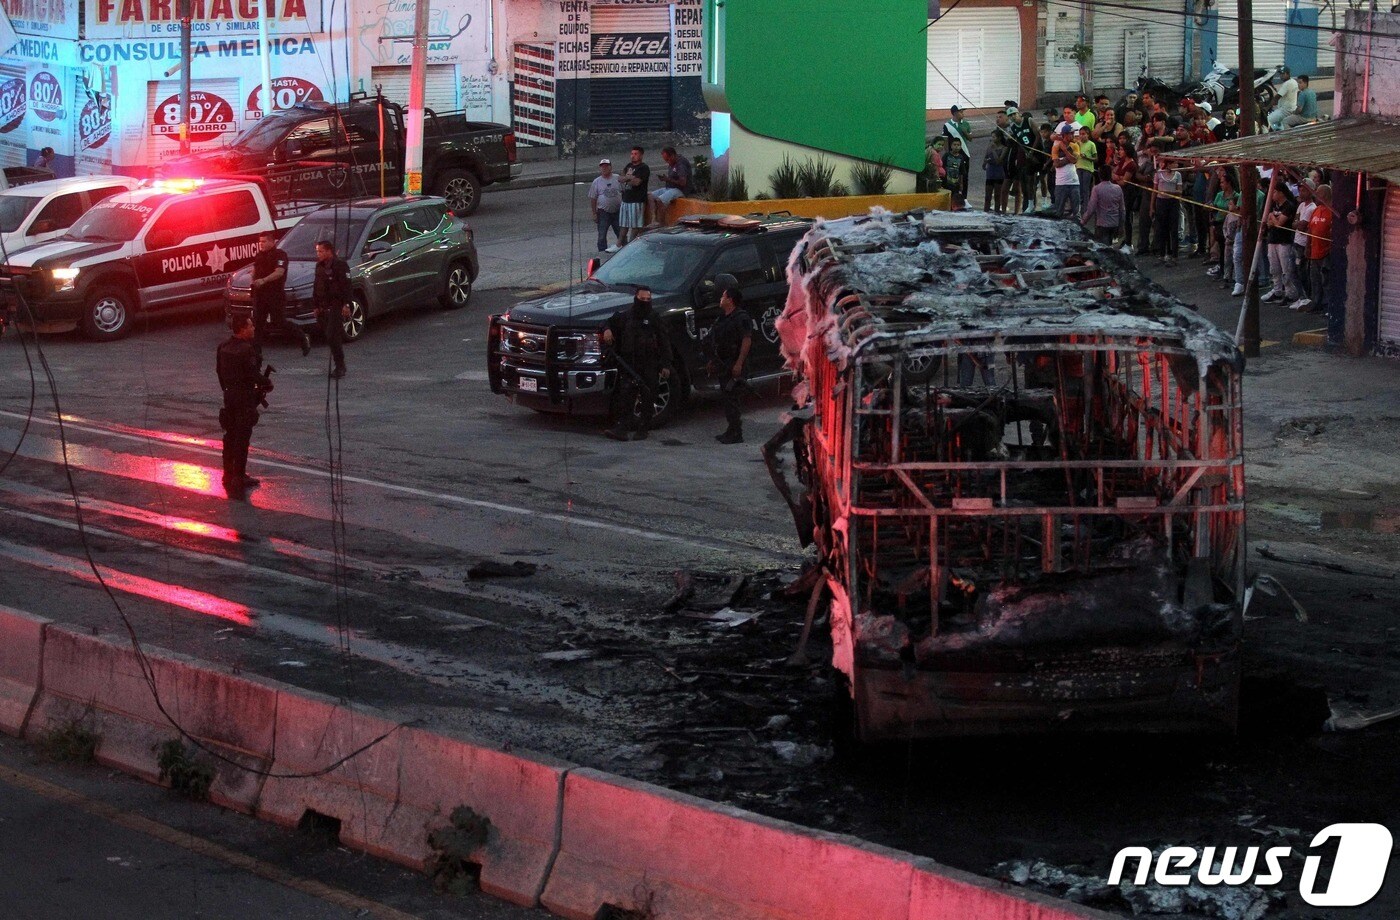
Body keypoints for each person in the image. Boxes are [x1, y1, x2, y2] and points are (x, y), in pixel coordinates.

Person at [601, 286, 673, 440]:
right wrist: (607, 330)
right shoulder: (627, 316)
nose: (645, 302)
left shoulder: (654, 318)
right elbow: (608, 322)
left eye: (648, 299)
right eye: (642, 299)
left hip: (649, 364)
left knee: (648, 397)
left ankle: (643, 428)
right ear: (636, 298)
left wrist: (666, 364)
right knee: (626, 397)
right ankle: (622, 429)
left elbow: (664, 341)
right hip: (629, 364)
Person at [216, 315, 269, 499]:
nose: (253, 328)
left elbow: (219, 373)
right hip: (243, 398)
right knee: (242, 437)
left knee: (230, 435)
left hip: (229, 396)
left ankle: (227, 473)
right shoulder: (247, 350)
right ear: (242, 329)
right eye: (250, 325)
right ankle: (239, 476)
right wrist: (267, 383)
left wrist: (227, 390)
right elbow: (253, 375)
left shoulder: (223, 347)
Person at [250, 231, 310, 358]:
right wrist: (253, 281)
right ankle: (256, 353)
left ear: (272, 242)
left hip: (275, 294)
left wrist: (264, 280)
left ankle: (302, 337)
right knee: (258, 324)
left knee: (279, 322)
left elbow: (279, 272)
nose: (261, 244)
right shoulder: (259, 255)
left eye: (264, 241)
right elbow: (254, 270)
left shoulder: (280, 255)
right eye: (260, 241)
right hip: (260, 295)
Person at [710, 286, 753, 444]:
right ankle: (731, 429)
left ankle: (736, 432)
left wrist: (739, 364)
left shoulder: (741, 318)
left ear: (730, 300)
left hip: (734, 363)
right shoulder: (722, 318)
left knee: (732, 399)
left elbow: (746, 340)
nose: (721, 299)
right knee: (727, 399)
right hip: (724, 363)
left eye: (723, 296)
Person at [313, 239, 351, 379]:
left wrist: (346, 304)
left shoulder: (340, 265)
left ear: (329, 251)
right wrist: (316, 305)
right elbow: (316, 286)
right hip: (324, 304)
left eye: (321, 251)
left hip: (337, 304)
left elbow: (347, 286)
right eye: (317, 251)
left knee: (332, 335)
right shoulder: (319, 266)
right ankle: (339, 363)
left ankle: (340, 366)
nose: (318, 254)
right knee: (330, 336)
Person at [1262, 184, 1301, 304]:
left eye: (1274, 192)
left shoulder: (1288, 206)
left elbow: (1279, 223)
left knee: (1286, 268)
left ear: (1281, 193)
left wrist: (1272, 218)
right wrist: (1274, 219)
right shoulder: (1275, 206)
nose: (1272, 195)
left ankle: (1290, 292)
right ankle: (1277, 289)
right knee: (1274, 268)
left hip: (1284, 241)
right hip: (1273, 239)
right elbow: (1270, 223)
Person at [1304, 184, 1333, 314]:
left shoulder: (1332, 211)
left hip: (1325, 252)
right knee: (1315, 280)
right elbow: (1310, 229)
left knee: (1326, 281)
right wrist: (1307, 246)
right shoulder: (1317, 210)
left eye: (1319, 193)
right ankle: (1317, 302)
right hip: (1314, 251)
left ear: (1325, 195)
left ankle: (1328, 305)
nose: (1316, 195)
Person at [1151, 154, 1183, 265]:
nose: (1176, 165)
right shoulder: (1159, 174)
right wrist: (1152, 206)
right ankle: (1162, 254)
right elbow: (1154, 191)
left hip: (1173, 203)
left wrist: (1169, 192)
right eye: (1174, 163)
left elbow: (1180, 191)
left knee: (1173, 229)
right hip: (1161, 203)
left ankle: (1174, 256)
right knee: (1161, 229)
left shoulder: (1178, 175)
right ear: (1169, 164)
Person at [1082, 164, 1124, 245]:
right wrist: (1121, 226)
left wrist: (1083, 221)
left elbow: (1091, 209)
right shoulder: (1118, 188)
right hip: (1114, 223)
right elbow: (1122, 209)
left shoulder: (1096, 189)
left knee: (1102, 249)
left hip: (1102, 224)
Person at [650, 146, 692, 223]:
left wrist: (668, 179)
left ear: (672, 156)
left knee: (660, 201)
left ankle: (661, 223)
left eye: (667, 159)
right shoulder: (672, 162)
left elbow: (683, 182)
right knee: (650, 196)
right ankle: (654, 219)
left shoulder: (681, 164)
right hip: (669, 187)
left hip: (680, 190)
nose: (667, 162)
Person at [588, 158, 622, 252]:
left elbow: (624, 191)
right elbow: (593, 198)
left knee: (621, 232)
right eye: (602, 167)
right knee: (602, 235)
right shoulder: (597, 182)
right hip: (603, 212)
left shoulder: (617, 178)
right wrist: (594, 213)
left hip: (618, 211)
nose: (604, 168)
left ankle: (624, 249)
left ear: (611, 167)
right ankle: (602, 251)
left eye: (606, 166)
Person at [1292, 180, 1317, 305]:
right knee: (1294, 270)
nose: (1301, 193)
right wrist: (1298, 224)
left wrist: (1298, 224)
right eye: (1300, 190)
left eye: (1304, 190)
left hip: (1303, 243)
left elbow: (1302, 225)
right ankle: (1302, 296)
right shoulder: (1301, 206)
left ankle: (1307, 296)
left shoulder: (1312, 208)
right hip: (1297, 241)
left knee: (1302, 271)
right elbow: (1295, 222)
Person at [618, 146, 650, 245]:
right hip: (626, 199)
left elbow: (637, 182)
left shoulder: (643, 168)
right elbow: (620, 178)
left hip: (637, 200)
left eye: (635, 154)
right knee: (624, 224)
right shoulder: (628, 166)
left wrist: (628, 179)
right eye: (632, 154)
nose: (633, 156)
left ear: (641, 155)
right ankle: (618, 244)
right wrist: (630, 178)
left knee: (635, 226)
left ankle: (631, 244)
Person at [1050, 123, 1080, 218]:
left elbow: (1074, 160)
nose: (1073, 135)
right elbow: (1056, 164)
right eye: (1071, 133)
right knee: (1059, 211)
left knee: (1076, 211)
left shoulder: (1075, 145)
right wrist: (1068, 158)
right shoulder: (1056, 146)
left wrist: (1066, 151)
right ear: (1065, 135)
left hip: (1074, 182)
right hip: (1061, 182)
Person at [983, 131, 1009, 213]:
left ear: (999, 138)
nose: (992, 139)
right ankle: (986, 211)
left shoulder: (1004, 148)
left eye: (994, 137)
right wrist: (985, 162)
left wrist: (994, 150)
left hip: (999, 173)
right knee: (988, 196)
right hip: (990, 172)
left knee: (997, 196)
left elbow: (999, 161)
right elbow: (986, 157)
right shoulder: (990, 146)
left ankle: (997, 211)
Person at [1074, 124, 1097, 214]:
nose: (1081, 136)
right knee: (1078, 188)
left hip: (1087, 168)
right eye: (1080, 134)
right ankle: (1078, 208)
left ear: (1088, 135)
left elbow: (1095, 158)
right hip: (1078, 167)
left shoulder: (1091, 144)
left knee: (1085, 189)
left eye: (1084, 134)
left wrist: (1087, 157)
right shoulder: (1078, 144)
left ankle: (1085, 209)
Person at [943, 137, 970, 210]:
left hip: (956, 184)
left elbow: (961, 172)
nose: (956, 147)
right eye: (954, 145)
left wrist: (961, 184)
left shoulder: (961, 158)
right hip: (946, 183)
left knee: (954, 200)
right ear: (951, 146)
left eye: (958, 145)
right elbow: (942, 167)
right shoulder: (947, 156)